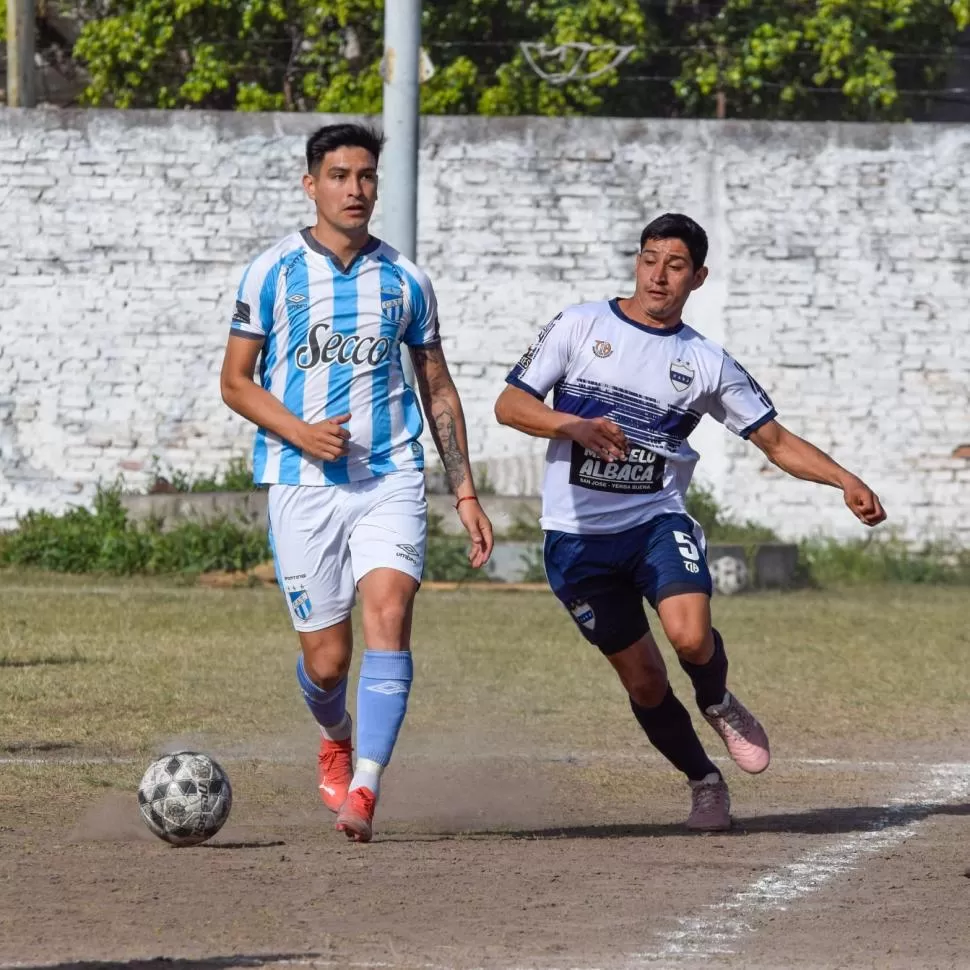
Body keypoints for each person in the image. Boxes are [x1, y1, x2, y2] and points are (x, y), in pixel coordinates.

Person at [494, 212, 885, 831]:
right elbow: (510, 404)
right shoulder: (579, 325)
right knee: (646, 682)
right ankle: (704, 781)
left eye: (675, 266)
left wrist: (845, 479)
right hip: (575, 541)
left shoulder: (703, 360)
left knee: (691, 638)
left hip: (655, 521)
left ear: (697, 277)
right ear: (637, 261)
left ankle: (718, 699)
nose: (658, 275)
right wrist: (572, 425)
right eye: (650, 259)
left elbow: (775, 440)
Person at [221, 123, 493, 843]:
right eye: (340, 176)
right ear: (311, 185)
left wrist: (463, 491)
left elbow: (436, 388)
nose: (356, 189)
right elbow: (235, 383)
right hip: (300, 483)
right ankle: (335, 730)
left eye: (367, 176)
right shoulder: (271, 273)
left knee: (390, 615)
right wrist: (301, 432)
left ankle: (365, 788)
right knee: (328, 659)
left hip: (390, 478)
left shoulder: (406, 280)